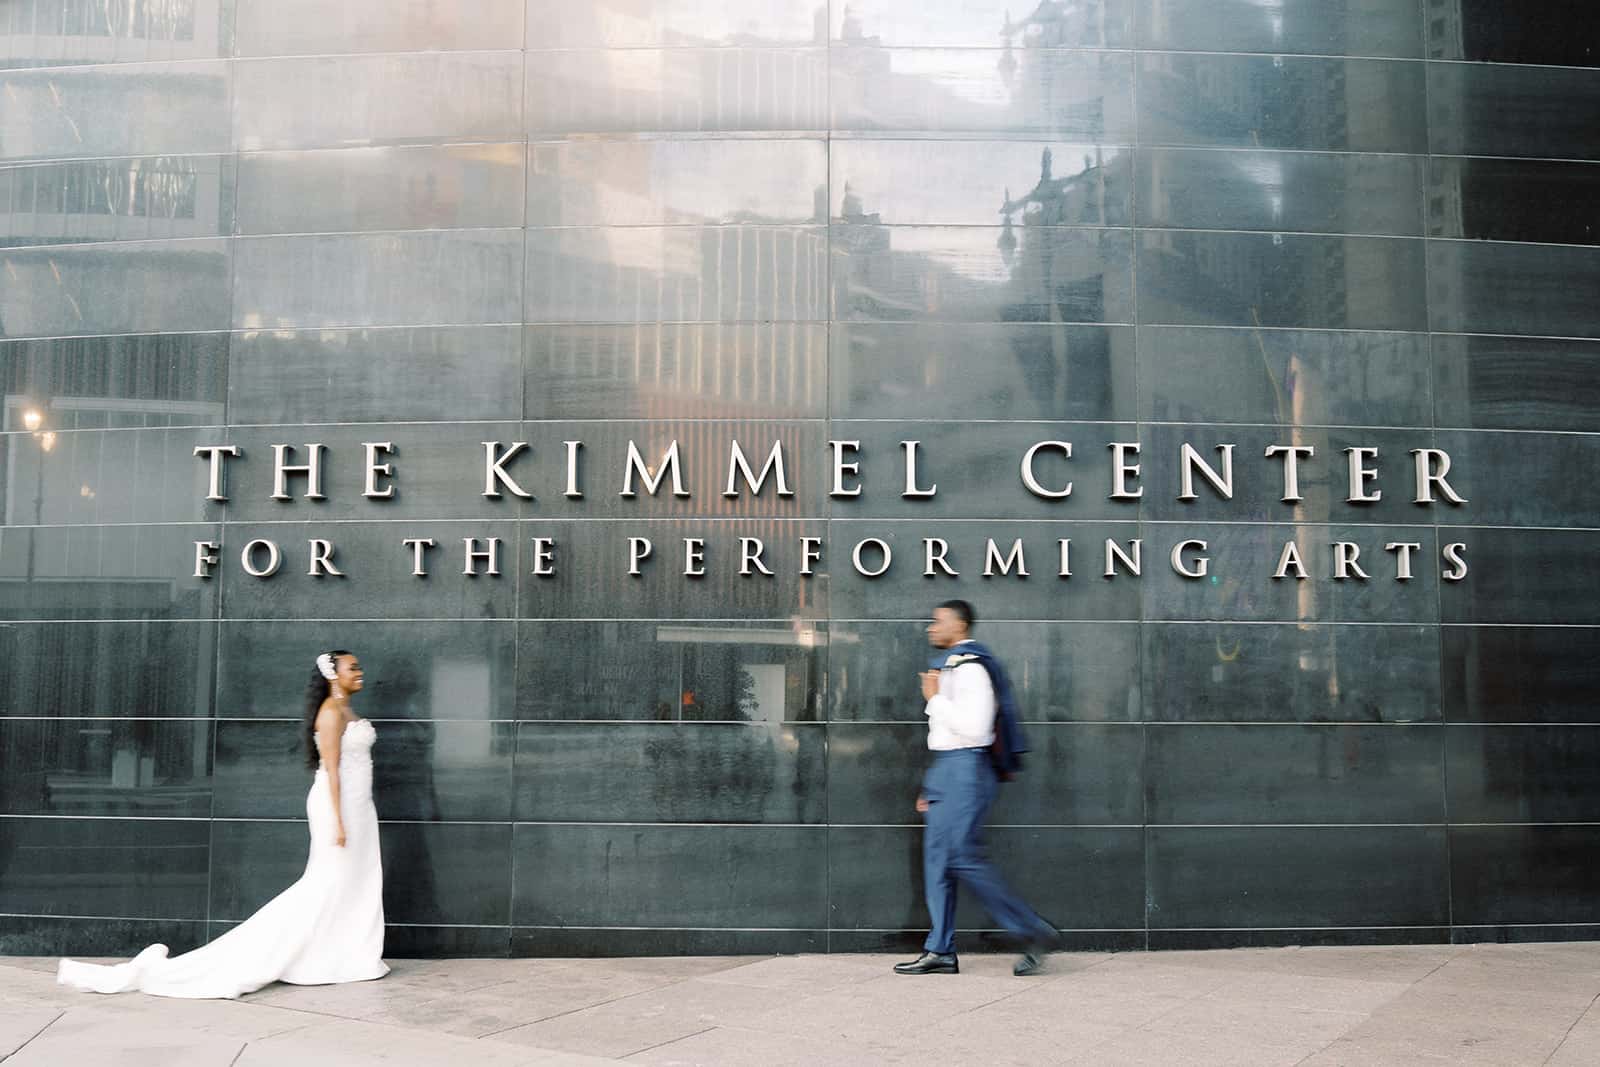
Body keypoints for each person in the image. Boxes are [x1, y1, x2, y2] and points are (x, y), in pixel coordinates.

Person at [58, 650, 389, 998]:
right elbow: (333, 771)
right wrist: (338, 823)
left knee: (355, 879)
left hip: (359, 808)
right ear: (333, 675)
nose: (360, 672)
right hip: (337, 808)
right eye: (353, 668)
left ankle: (342, 955)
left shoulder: (348, 711)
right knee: (327, 883)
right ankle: (286, 953)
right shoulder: (331, 713)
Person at [894, 600, 1060, 977]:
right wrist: (932, 786)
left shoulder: (970, 669)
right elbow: (947, 737)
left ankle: (1032, 931)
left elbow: (974, 730)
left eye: (938, 622)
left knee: (962, 855)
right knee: (937, 863)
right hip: (947, 771)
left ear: (961, 625)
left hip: (967, 767)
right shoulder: (950, 667)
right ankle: (940, 951)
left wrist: (934, 698)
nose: (930, 628)